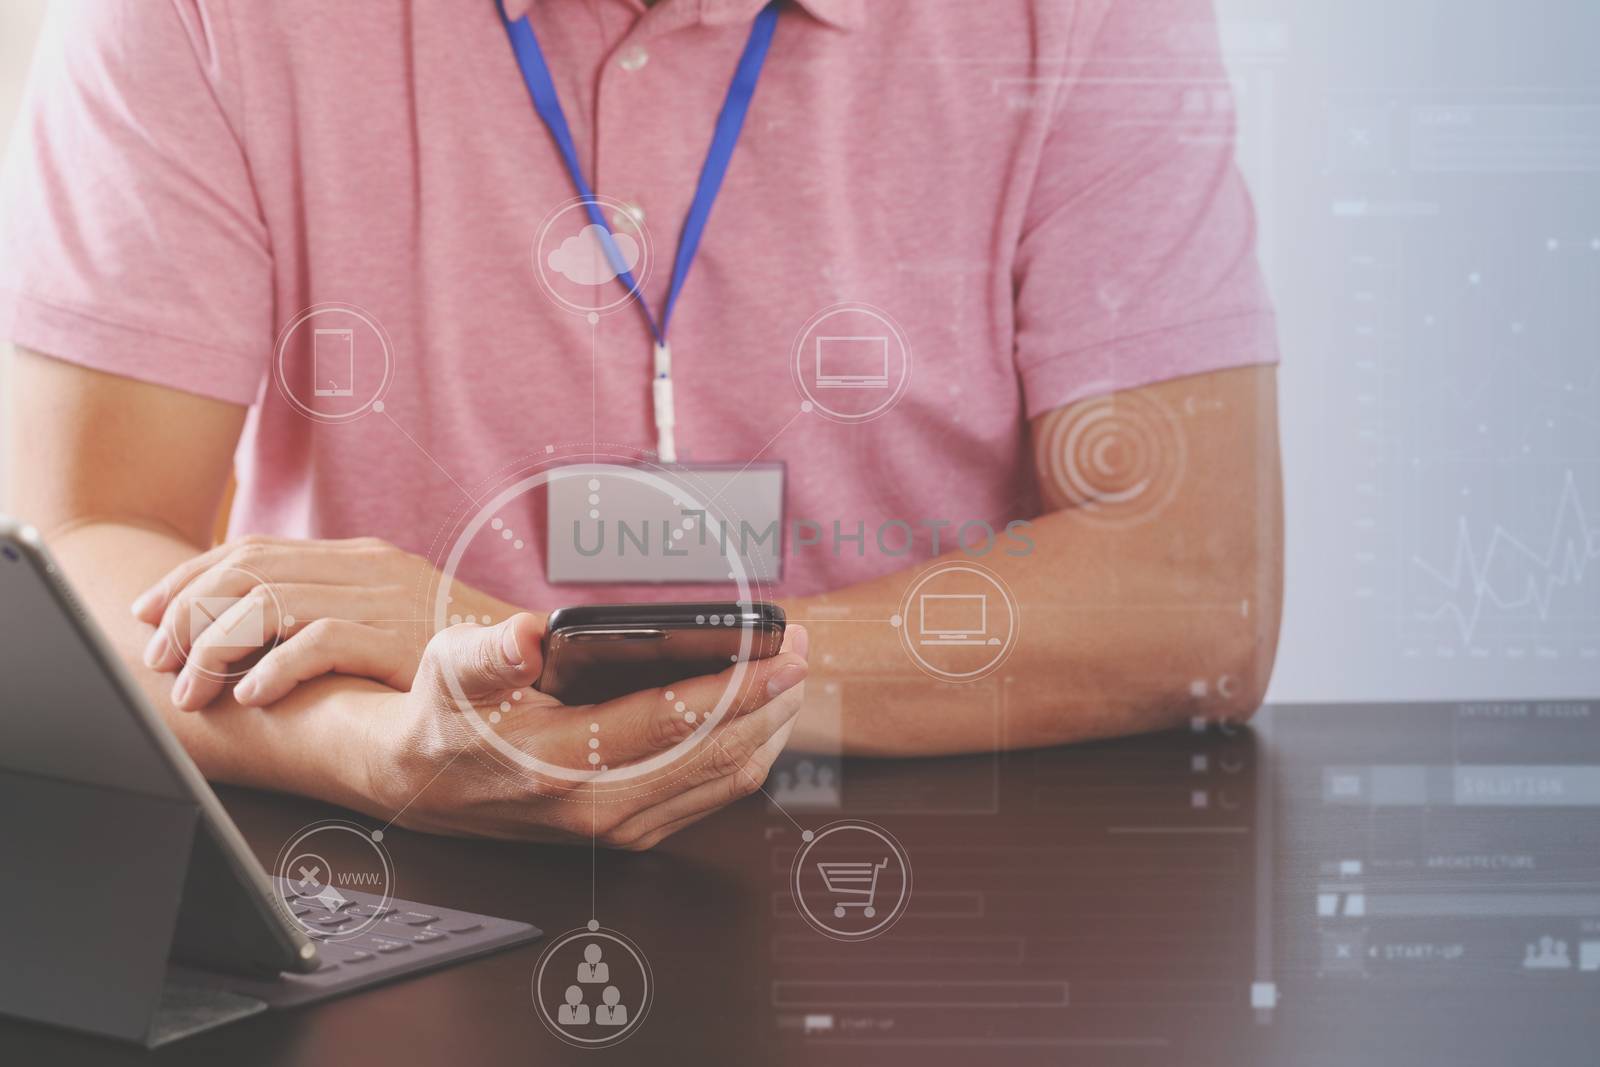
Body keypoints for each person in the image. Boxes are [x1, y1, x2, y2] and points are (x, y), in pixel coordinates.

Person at [0, 0, 1282, 846]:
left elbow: (1197, 589)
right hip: (387, 868)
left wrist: (560, 656)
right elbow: (75, 552)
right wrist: (377, 748)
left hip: (944, 854)